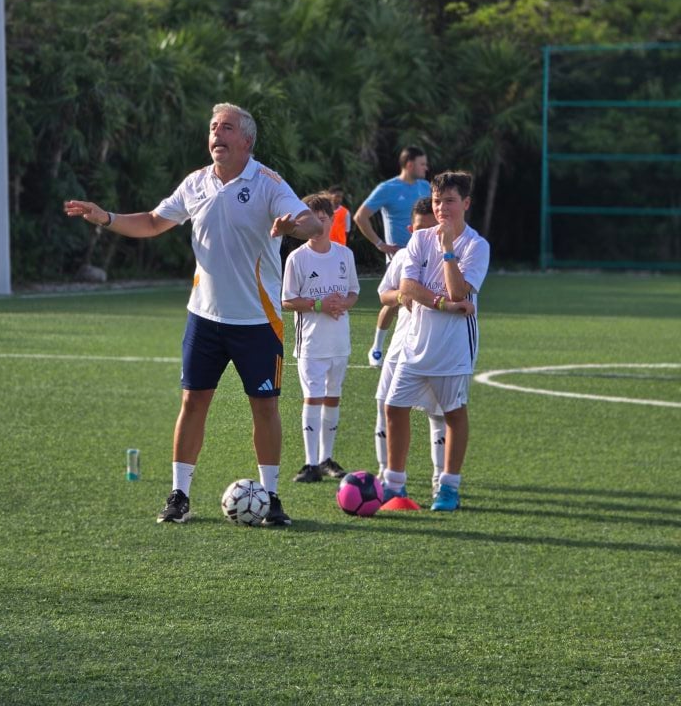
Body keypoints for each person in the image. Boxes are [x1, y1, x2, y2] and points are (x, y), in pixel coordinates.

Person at [64, 103, 322, 526]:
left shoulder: (267, 183)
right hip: (204, 319)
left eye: (227, 128)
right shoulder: (196, 183)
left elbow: (311, 223)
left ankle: (271, 498)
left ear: (247, 141)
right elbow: (152, 222)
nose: (217, 134)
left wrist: (291, 226)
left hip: (258, 321)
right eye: (213, 127)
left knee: (265, 407)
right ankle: (179, 495)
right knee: (193, 401)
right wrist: (106, 218)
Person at [383, 171, 490, 512]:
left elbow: (459, 290)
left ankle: (448, 487)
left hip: (453, 348)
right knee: (393, 407)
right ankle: (393, 485)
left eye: (449, 201)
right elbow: (407, 288)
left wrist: (447, 251)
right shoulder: (419, 239)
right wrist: (444, 305)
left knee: (453, 415)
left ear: (466, 203)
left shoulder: (477, 246)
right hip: (415, 344)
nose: (441, 208)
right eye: (437, 201)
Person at [281, 192, 360, 483]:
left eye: (323, 219)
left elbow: (353, 292)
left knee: (333, 398)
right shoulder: (297, 258)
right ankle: (310, 463)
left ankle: (326, 459)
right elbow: (287, 300)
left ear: (332, 220)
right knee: (313, 399)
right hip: (311, 344)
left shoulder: (345, 255)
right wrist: (319, 305)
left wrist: (343, 304)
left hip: (339, 342)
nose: (318, 225)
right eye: (311, 220)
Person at [373, 197, 445, 498]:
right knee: (385, 405)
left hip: (435, 346)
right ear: (410, 229)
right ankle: (386, 473)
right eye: (419, 229)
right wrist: (402, 296)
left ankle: (440, 480)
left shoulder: (449, 258)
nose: (424, 234)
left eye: (431, 228)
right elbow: (384, 295)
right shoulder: (403, 256)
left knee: (439, 415)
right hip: (401, 345)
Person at [353, 146, 433, 367]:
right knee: (393, 301)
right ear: (409, 164)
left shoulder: (426, 187)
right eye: (422, 164)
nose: (426, 168)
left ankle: (416, 350)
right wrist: (380, 244)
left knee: (424, 301)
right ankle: (377, 348)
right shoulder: (387, 188)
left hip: (428, 256)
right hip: (400, 256)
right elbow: (361, 216)